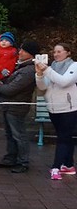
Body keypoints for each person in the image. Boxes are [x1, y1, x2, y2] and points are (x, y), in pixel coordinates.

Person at [0, 41, 37, 173]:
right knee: (10, 133)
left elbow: (11, 89)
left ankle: (23, 161)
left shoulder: (28, 70)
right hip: (9, 105)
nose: (20, 52)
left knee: (19, 134)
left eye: (23, 50)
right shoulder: (21, 67)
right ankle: (11, 157)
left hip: (16, 106)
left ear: (30, 54)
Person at [34, 42, 77, 180]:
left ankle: (56, 167)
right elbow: (42, 87)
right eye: (54, 52)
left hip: (69, 109)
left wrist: (46, 70)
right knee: (66, 136)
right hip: (54, 108)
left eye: (59, 51)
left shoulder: (74, 66)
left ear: (68, 52)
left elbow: (64, 81)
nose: (56, 54)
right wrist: (39, 75)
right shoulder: (51, 67)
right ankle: (68, 165)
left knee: (63, 138)